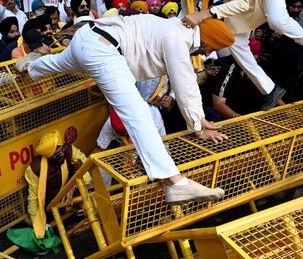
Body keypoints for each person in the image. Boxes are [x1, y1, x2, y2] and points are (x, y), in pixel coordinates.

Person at [16, 14, 227, 204]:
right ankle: (177, 184)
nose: (208, 53)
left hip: (87, 39)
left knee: (55, 62)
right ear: (206, 41)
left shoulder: (176, 29)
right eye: (210, 47)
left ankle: (28, 66)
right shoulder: (179, 39)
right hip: (103, 49)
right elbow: (185, 82)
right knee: (138, 113)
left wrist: (198, 120)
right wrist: (198, 124)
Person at [159, 0, 303, 109]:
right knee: (234, 42)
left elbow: (241, 2)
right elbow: (185, 20)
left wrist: (206, 13)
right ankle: (270, 90)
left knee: (276, 19)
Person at [24, 130, 91, 239]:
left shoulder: (69, 149)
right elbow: (34, 198)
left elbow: (88, 170)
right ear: (48, 155)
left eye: (61, 149)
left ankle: (79, 209)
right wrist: (38, 224)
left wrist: (74, 184)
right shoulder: (34, 169)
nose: (61, 153)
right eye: (56, 153)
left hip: (69, 197)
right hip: (50, 206)